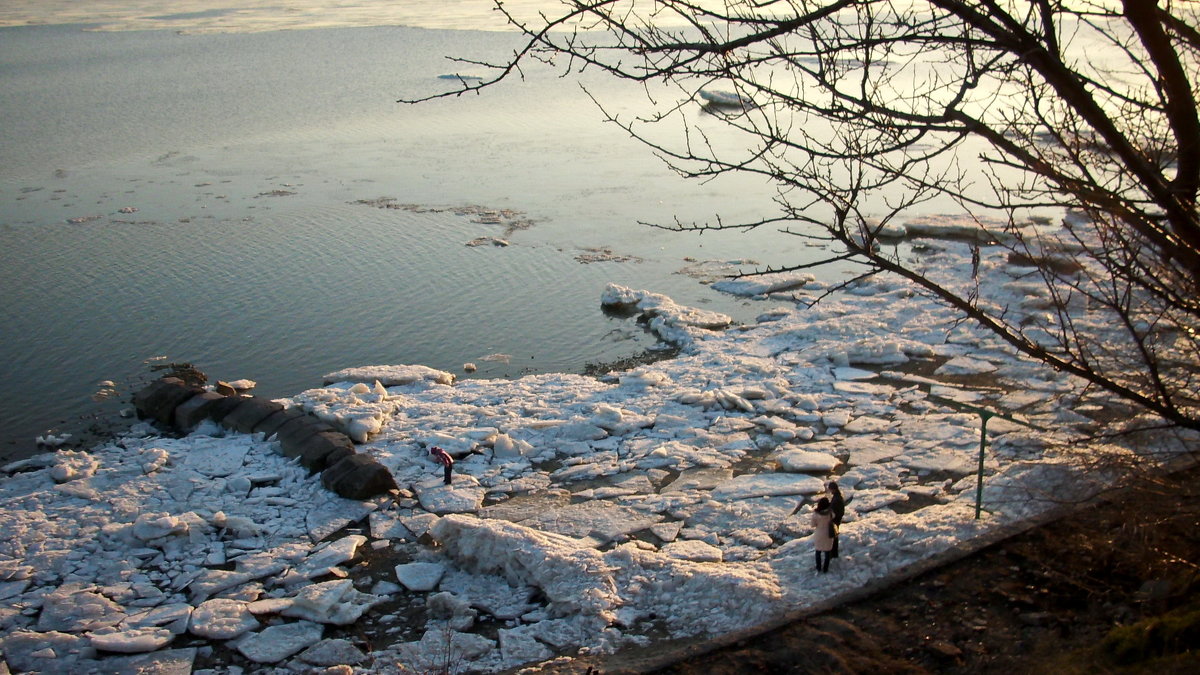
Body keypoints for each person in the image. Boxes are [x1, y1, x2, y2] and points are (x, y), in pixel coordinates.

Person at [811, 497, 835, 573]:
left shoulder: (815, 514)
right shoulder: (830, 513)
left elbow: (813, 524)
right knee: (827, 552)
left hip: (819, 534)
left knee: (818, 551)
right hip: (828, 534)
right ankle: (825, 568)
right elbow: (834, 517)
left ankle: (818, 567)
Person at [827, 480, 845, 558]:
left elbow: (836, 510)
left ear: (833, 489)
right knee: (834, 537)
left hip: (835, 520)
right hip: (835, 520)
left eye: (830, 489)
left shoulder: (837, 498)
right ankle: (834, 553)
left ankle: (833, 554)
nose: (829, 490)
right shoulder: (837, 496)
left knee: (833, 537)